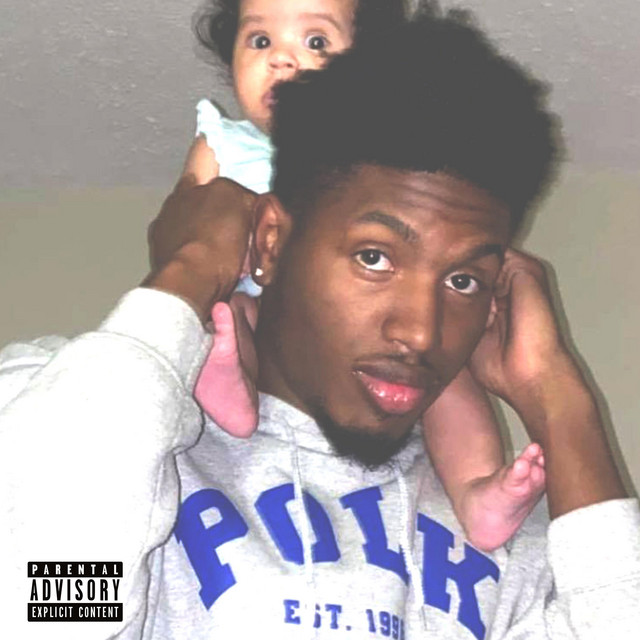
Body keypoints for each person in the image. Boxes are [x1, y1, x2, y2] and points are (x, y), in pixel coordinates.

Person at [1, 7, 639, 640]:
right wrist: (187, 275)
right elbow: (43, 617)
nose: (422, 332)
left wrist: (560, 402)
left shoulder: (528, 550)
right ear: (271, 241)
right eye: (374, 257)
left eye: (463, 280)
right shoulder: (83, 415)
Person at [192, 0, 545, 552]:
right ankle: (230, 380)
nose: (283, 59)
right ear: (271, 235)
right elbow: (187, 235)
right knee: (227, 316)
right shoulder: (221, 144)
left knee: (456, 384)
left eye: (316, 42)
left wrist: (558, 397)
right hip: (240, 293)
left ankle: (476, 489)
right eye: (260, 41)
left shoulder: (545, 549)